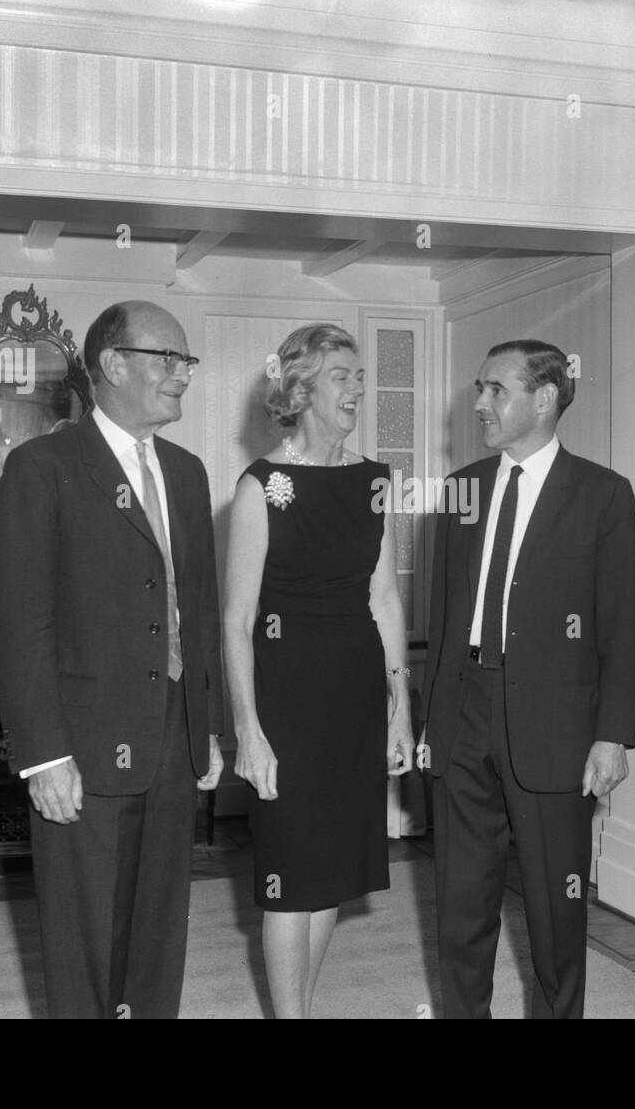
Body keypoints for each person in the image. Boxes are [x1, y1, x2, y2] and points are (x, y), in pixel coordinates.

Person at [0, 301, 224, 1019]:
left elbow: (197, 612)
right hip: (82, 751)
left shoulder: (187, 473)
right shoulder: (42, 467)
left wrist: (204, 725)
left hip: (172, 743)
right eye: (168, 360)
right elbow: (18, 624)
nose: (182, 376)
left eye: (186, 363)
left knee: (158, 938)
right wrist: (43, 755)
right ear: (113, 365)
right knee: (82, 946)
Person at [421, 339, 635, 1019]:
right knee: (459, 907)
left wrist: (613, 737)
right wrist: (434, 720)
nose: (480, 403)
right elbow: (445, 616)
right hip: (464, 718)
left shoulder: (604, 495)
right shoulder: (463, 491)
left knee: (555, 912)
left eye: (497, 389)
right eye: (479, 389)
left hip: (558, 730)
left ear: (545, 399)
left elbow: (622, 627)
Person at [223, 323, 414, 1019]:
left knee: (333, 873)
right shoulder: (262, 486)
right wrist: (248, 730)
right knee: (290, 879)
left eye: (359, 376)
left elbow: (384, 597)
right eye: (342, 376)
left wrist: (400, 707)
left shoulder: (373, 481)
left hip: (356, 697)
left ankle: (297, 1011)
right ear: (299, 390)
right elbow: (237, 622)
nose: (357, 388)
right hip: (286, 704)